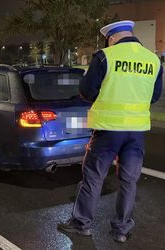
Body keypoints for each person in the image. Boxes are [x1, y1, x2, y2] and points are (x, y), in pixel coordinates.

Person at [57, 20, 163, 243]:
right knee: (128, 181)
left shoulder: (105, 56)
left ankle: (81, 223)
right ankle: (122, 230)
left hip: (107, 130)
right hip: (136, 132)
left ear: (112, 38)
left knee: (93, 177)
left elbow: (86, 90)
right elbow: (153, 97)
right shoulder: (153, 60)